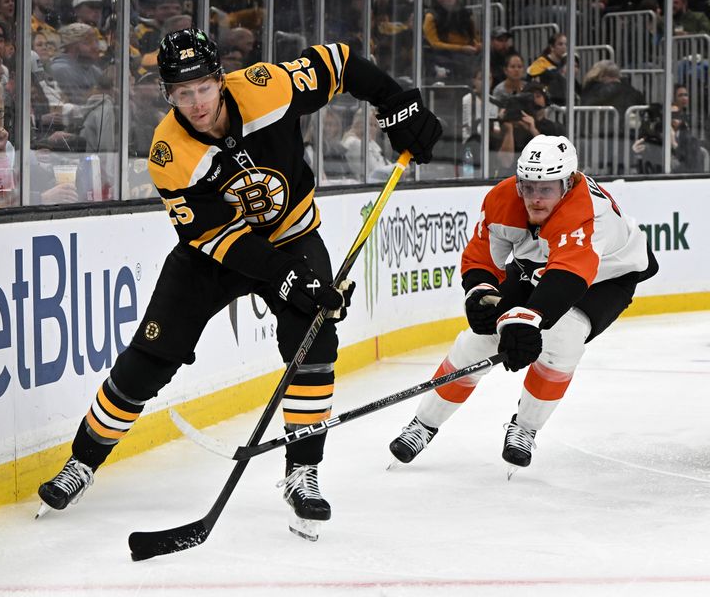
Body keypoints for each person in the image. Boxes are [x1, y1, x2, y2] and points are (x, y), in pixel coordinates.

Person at [37, 27, 442, 540]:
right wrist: (287, 277)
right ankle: (83, 462)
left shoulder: (266, 86)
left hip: (292, 233)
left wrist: (397, 104)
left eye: (204, 87)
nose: (197, 103)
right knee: (149, 359)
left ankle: (302, 472)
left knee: (313, 339)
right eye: (183, 94)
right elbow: (216, 237)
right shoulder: (170, 153)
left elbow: (339, 61)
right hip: (214, 255)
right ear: (168, 94)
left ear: (219, 80)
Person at [388, 134, 658, 477]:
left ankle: (526, 427)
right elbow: (482, 257)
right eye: (527, 186)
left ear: (568, 182)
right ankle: (422, 425)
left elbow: (569, 276)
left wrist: (528, 319)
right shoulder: (503, 199)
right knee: (480, 340)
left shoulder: (587, 211)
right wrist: (480, 294)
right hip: (543, 263)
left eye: (545, 189)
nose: (534, 198)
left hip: (607, 276)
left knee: (564, 339)